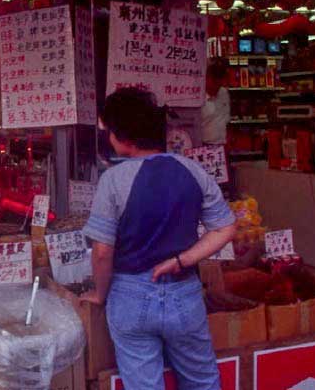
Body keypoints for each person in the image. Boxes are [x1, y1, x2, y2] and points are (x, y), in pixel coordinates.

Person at [80, 87, 236, 390]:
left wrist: (99, 294)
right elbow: (226, 227)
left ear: (122, 137)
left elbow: (102, 252)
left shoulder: (113, 180)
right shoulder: (192, 170)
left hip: (129, 296)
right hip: (185, 294)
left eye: (109, 131)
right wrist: (183, 260)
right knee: (203, 382)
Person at [201, 61, 230, 146]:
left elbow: (226, 117)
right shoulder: (199, 98)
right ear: (207, 78)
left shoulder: (223, 93)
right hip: (204, 145)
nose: (217, 87)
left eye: (220, 83)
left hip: (222, 145)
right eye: (215, 83)